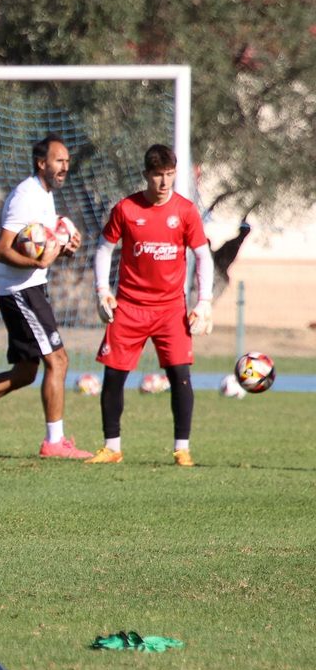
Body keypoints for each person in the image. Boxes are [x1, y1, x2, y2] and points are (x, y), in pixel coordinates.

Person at [0, 135, 92, 458]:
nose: (65, 167)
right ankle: (54, 442)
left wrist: (64, 251)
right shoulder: (25, 196)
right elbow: (1, 251)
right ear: (41, 162)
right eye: (59, 161)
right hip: (22, 292)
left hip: (31, 288)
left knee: (25, 373)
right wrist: (40, 261)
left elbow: (38, 248)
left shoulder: (45, 196)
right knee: (58, 360)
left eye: (67, 163)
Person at [85, 144, 212, 466]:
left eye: (170, 175)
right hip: (128, 306)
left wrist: (205, 301)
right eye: (158, 175)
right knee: (113, 377)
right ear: (146, 175)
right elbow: (103, 249)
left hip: (171, 309)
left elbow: (203, 256)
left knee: (180, 376)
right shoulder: (126, 209)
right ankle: (112, 447)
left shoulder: (185, 211)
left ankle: (182, 448)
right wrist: (103, 292)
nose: (165, 182)